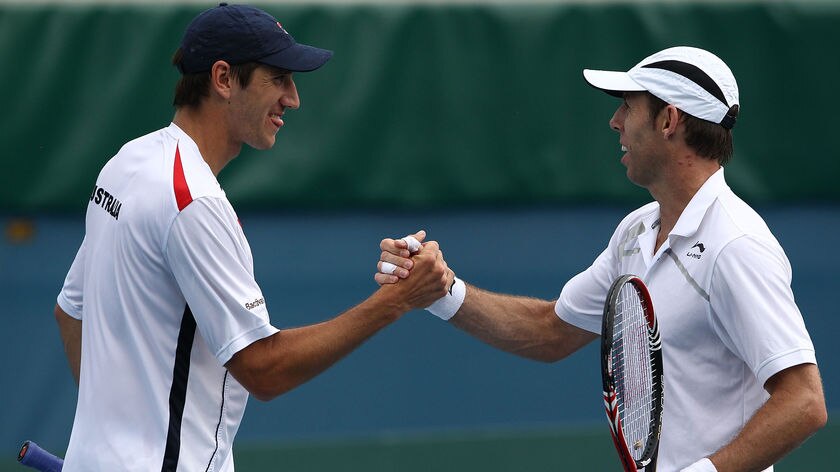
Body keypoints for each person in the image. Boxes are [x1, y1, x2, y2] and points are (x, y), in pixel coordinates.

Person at [377, 46, 826, 471]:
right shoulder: (635, 232)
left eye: (628, 107)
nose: (615, 122)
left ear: (669, 119)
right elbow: (549, 331)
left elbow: (804, 401)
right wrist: (440, 291)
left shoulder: (736, 246)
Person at [53, 4, 451, 471]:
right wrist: (396, 301)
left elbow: (68, 313)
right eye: (278, 78)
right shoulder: (192, 203)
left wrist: (116, 441)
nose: (293, 97)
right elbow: (265, 369)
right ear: (223, 79)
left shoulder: (126, 164)